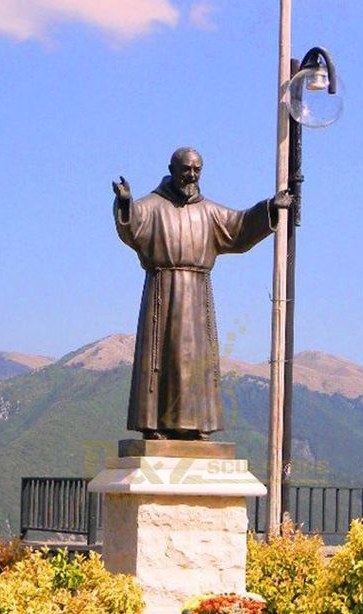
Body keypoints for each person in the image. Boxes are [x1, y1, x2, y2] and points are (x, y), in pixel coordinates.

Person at [113, 147, 290, 440]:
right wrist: (125, 203)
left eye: (197, 169)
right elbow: (132, 225)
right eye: (186, 169)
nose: (192, 175)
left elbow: (241, 226)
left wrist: (271, 207)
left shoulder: (209, 212)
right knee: (161, 359)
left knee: (196, 361)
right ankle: (155, 425)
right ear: (171, 169)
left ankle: (195, 424)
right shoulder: (152, 206)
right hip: (163, 293)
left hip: (197, 295)